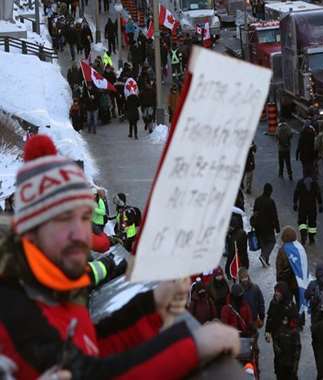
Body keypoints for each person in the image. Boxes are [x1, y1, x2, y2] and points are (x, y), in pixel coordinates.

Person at [0, 134, 240, 378]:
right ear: (30, 232)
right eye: (63, 218)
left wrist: (153, 305)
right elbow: (91, 374)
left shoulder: (54, 280)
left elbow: (94, 346)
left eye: (84, 217)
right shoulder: (14, 307)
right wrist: (193, 347)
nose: (80, 234)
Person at [265, 281, 301, 380]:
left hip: (288, 342)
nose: (276, 293)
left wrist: (288, 328)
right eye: (276, 291)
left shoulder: (290, 306)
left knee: (290, 369)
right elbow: (270, 318)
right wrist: (267, 331)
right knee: (278, 364)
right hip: (277, 340)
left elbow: (295, 324)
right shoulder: (273, 303)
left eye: (279, 292)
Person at [276, 225, 308, 309]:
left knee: (287, 304)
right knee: (299, 303)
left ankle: (291, 319)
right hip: (298, 282)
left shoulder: (283, 250)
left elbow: (279, 266)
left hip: (287, 283)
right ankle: (300, 319)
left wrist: (279, 279)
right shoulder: (300, 248)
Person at [252, 182, 280, 267]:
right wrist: (277, 227)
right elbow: (274, 216)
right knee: (272, 241)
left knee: (263, 243)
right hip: (268, 227)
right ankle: (264, 257)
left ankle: (265, 261)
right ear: (270, 191)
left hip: (258, 227)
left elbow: (254, 212)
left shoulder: (257, 200)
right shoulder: (270, 202)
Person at [293, 173, 323, 245]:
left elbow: (296, 193)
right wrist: (320, 204)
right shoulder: (314, 183)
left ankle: (303, 236)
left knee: (302, 222)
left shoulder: (300, 183)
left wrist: (295, 203)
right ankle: (311, 238)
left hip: (302, 206)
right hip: (312, 207)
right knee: (312, 223)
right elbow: (318, 194)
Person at [225, 211, 249, 280]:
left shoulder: (233, 236)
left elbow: (232, 250)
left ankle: (232, 275)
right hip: (243, 254)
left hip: (236, 255)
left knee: (233, 266)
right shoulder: (242, 232)